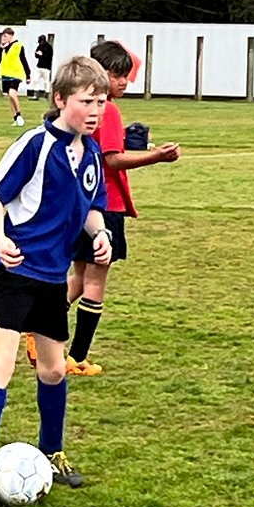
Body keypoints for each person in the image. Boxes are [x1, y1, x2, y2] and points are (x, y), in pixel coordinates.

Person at [0, 55, 113, 507]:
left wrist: (100, 234)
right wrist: (1, 240)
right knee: (1, 367)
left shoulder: (92, 153)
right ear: (60, 99)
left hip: (52, 277)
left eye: (101, 102)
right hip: (16, 273)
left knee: (53, 370)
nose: (95, 111)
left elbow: (91, 208)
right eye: (86, 101)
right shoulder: (35, 144)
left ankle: (52, 451)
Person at [65, 40, 181, 376]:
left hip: (78, 202)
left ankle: (35, 326)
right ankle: (77, 357)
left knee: (80, 276)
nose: (124, 82)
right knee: (95, 282)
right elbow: (112, 159)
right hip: (105, 205)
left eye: (126, 75)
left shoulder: (77, 106)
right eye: (118, 75)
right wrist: (156, 156)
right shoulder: (109, 110)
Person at [0, 27, 31, 127]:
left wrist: (28, 74)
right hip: (5, 74)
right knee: (10, 97)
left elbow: (23, 60)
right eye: (3, 36)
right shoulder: (3, 48)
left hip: (16, 74)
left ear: (11, 36)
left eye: (5, 36)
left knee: (12, 93)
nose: (3, 38)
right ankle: (15, 117)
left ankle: (19, 115)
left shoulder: (18, 46)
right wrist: (0, 48)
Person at [30, 34, 53, 100]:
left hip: (46, 67)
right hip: (39, 66)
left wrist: (42, 55)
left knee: (46, 81)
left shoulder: (49, 47)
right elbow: (36, 55)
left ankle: (46, 94)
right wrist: (37, 54)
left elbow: (48, 57)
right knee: (35, 80)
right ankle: (36, 94)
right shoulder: (39, 46)